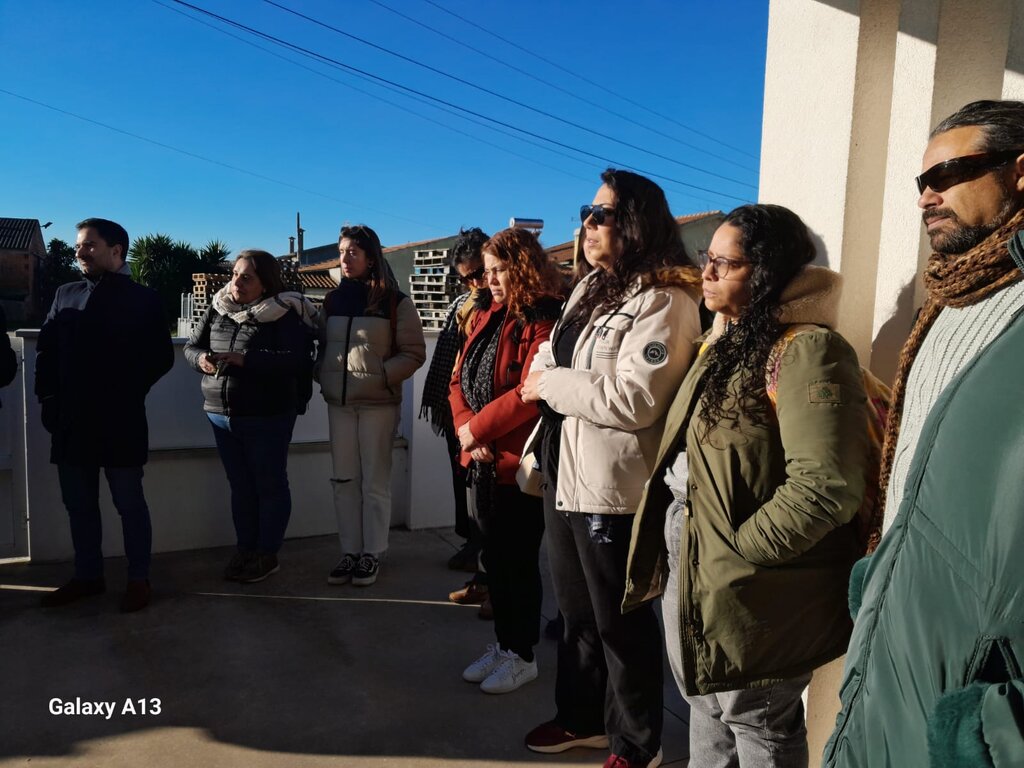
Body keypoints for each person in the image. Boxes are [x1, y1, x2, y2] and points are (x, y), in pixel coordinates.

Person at [624, 204, 871, 768]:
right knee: (706, 703)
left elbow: (826, 484)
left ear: (765, 273)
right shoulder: (729, 339)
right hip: (696, 552)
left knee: (756, 716)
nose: (705, 273)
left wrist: (746, 553)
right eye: (706, 259)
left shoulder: (808, 349)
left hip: (748, 576)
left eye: (723, 264)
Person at [824, 100, 1024, 767]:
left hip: (970, 697)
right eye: (920, 182)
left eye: (949, 173)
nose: (926, 196)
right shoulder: (947, 300)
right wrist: (882, 575)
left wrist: (1000, 730)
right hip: (903, 633)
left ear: (1020, 173)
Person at [521, 169, 702, 768]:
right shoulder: (589, 289)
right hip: (564, 474)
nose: (587, 224)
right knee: (574, 615)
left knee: (620, 623)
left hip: (613, 489)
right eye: (586, 212)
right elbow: (553, 351)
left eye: (602, 214)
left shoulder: (665, 300)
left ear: (636, 223)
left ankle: (635, 743)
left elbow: (634, 400)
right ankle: (580, 718)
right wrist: (555, 378)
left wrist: (551, 385)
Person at [36, 218, 174, 613]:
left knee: (129, 503)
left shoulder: (144, 299)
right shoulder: (66, 294)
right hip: (70, 421)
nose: (81, 252)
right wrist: (47, 398)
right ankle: (88, 576)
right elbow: (46, 351)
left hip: (121, 421)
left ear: (117, 252)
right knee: (78, 504)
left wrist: (127, 390)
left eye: (90, 245)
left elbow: (161, 357)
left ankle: (138, 578)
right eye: (80, 245)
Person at [449, 226, 562, 695]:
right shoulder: (484, 316)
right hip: (481, 458)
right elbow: (458, 378)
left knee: (518, 560)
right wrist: (467, 432)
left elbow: (529, 394)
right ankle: (503, 644)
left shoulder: (544, 319)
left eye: (500, 270)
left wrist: (479, 430)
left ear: (522, 267)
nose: (491, 280)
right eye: (488, 271)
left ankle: (523, 654)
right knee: (494, 558)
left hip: (517, 464)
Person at [184, 250, 318, 584]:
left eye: (247, 277)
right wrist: (201, 360)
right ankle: (245, 549)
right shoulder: (218, 308)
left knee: (270, 486)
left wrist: (248, 360)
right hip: (220, 415)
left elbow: (298, 361)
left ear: (266, 283)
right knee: (241, 487)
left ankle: (266, 554)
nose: (237, 282)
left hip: (267, 415)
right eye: (235, 274)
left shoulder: (285, 314)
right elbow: (191, 346)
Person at [318, 224, 426, 587]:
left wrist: (379, 377)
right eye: (342, 251)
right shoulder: (332, 301)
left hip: (379, 406)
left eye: (353, 252)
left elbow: (414, 353)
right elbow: (323, 348)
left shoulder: (396, 303)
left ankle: (372, 553)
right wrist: (325, 376)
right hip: (340, 405)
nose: (345, 259)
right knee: (343, 480)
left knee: (375, 482)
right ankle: (349, 551)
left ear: (370, 257)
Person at [418, 227, 490, 581]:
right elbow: (450, 359)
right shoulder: (459, 305)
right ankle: (470, 542)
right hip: (454, 407)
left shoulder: (508, 304)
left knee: (483, 487)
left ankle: (483, 554)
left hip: (486, 414)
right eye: (466, 278)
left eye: (479, 272)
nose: (474, 283)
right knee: (460, 479)